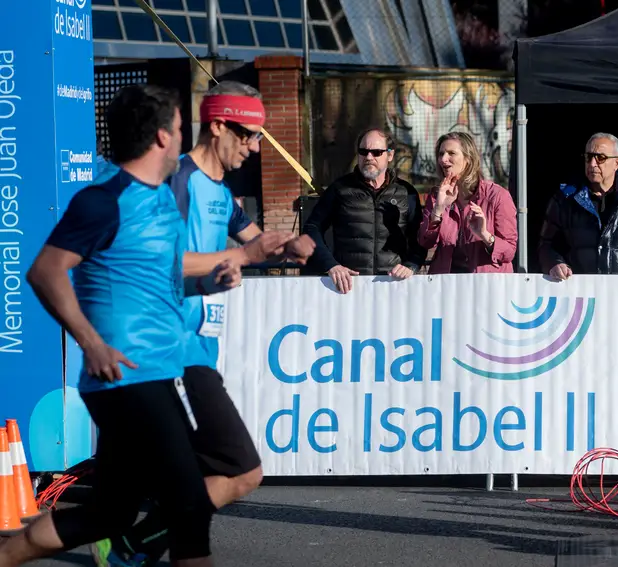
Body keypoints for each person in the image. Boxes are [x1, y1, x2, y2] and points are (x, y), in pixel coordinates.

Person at [1, 84, 240, 567]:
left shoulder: (162, 203)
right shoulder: (103, 200)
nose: (183, 138)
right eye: (178, 128)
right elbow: (45, 270)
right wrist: (91, 343)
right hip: (127, 378)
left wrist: (211, 282)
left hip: (158, 369)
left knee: (108, 515)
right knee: (189, 505)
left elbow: (163, 286)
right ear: (161, 137)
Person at [89, 81, 315, 567]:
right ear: (217, 125)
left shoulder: (222, 193)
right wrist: (240, 255)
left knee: (140, 491)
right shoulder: (178, 181)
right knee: (240, 472)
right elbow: (158, 259)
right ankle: (130, 544)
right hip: (168, 349)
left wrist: (295, 248)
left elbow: (254, 241)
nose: (255, 148)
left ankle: (126, 541)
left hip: (194, 350)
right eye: (249, 135)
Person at [302, 127, 425, 293]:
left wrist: (411, 265)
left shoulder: (406, 192)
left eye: (376, 152)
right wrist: (331, 265)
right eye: (363, 151)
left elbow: (421, 237)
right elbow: (311, 229)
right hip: (349, 289)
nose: (368, 157)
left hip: (394, 287)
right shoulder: (340, 189)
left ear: (390, 155)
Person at [537, 132, 618, 282]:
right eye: (588, 157)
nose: (592, 164)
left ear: (617, 163)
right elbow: (546, 245)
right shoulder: (565, 198)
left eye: (600, 158)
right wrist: (554, 264)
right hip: (578, 294)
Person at [418, 131, 518, 273]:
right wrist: (438, 210)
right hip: (446, 285)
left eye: (451, 153)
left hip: (486, 286)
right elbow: (425, 242)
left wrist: (485, 235)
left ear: (468, 158)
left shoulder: (497, 196)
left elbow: (509, 252)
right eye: (441, 154)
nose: (443, 159)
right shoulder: (436, 196)